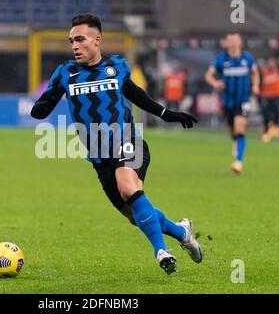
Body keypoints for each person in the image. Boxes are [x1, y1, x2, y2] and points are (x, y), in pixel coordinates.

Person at [30, 14, 203, 275]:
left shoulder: (117, 67)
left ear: (97, 40)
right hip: (99, 158)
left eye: (80, 39)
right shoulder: (66, 73)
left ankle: (161, 251)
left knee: (127, 184)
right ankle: (181, 231)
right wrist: (42, 106)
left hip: (129, 141)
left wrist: (169, 114)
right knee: (135, 215)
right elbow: (41, 109)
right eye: (71, 41)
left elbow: (137, 95)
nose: (75, 45)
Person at [205, 32, 260, 174]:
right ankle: (237, 145)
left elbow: (255, 73)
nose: (234, 43)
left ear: (240, 42)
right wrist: (215, 83)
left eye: (236, 40)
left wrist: (255, 86)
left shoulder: (247, 57)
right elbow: (208, 76)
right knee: (233, 132)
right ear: (227, 43)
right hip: (227, 101)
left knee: (240, 129)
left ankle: (238, 162)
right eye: (231, 41)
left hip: (243, 100)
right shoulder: (221, 59)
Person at [259, 57, 279, 142]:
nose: (271, 64)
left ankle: (274, 129)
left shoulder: (277, 71)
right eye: (270, 62)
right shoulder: (263, 72)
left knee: (276, 113)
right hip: (266, 96)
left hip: (275, 96)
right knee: (266, 115)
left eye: (273, 62)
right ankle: (266, 132)